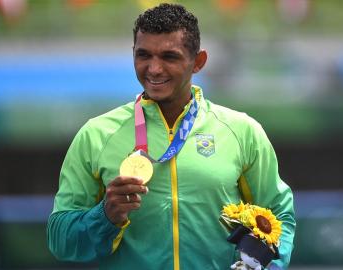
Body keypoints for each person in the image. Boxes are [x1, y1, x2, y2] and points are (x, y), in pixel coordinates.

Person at [47, 3, 295, 270]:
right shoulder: (96, 135)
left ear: (198, 62)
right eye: (144, 55)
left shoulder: (242, 131)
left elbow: (279, 215)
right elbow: (61, 241)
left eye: (169, 57)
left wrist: (269, 266)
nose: (154, 69)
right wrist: (105, 215)